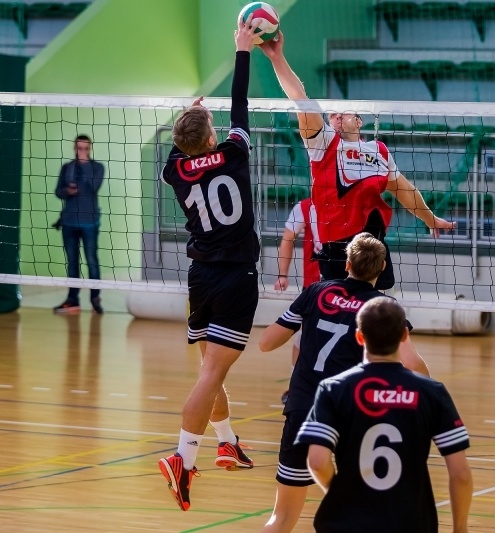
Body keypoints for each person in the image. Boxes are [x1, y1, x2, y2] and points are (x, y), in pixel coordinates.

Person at [156, 17, 262, 512]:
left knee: (210, 370)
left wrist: (189, 116)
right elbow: (239, 106)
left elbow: (185, 143)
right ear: (213, 135)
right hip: (237, 274)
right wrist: (243, 50)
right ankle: (183, 458)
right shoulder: (235, 155)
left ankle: (228, 441)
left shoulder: (173, 169)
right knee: (210, 373)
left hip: (200, 275)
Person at [259, 233, 430, 533]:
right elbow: (412, 363)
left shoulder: (315, 292)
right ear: (382, 267)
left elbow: (265, 343)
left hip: (302, 412)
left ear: (347, 263)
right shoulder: (382, 307)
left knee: (281, 519)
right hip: (348, 418)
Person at [261, 31, 455, 290]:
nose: (338, 115)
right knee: (338, 310)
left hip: (372, 243)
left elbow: (404, 191)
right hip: (337, 245)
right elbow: (300, 98)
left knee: (372, 308)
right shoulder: (323, 142)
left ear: (360, 121)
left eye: (345, 112)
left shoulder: (379, 150)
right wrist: (277, 58)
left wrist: (430, 219)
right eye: (333, 114)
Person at [297, 296, 473, 533]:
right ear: (404, 336)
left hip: (345, 523)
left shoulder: (333, 389)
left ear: (359, 336)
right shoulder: (431, 392)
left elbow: (317, 462)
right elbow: (460, 474)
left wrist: (340, 494)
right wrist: (459, 529)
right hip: (410, 522)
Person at [275, 197, 321, 403]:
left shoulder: (351, 202)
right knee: (301, 337)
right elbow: (288, 237)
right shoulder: (306, 206)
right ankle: (295, 387)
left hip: (342, 283)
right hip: (313, 286)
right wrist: (282, 275)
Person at [53, 134, 105, 314]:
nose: (82, 151)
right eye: (79, 148)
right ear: (74, 148)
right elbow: (58, 192)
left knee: (92, 261)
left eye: (85, 148)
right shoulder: (67, 168)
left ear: (89, 150)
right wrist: (67, 190)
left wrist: (85, 164)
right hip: (68, 222)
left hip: (89, 222)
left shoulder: (97, 167)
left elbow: (94, 186)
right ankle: (72, 299)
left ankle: (95, 299)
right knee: (72, 262)